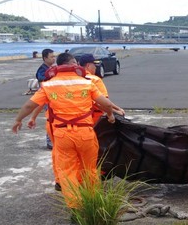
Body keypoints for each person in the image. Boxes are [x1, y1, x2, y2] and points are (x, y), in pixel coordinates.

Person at [12, 53, 123, 209]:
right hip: (85, 133)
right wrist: (110, 115)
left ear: (58, 67)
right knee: (90, 169)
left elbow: (30, 106)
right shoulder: (87, 83)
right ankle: (92, 204)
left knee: (67, 172)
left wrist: (18, 120)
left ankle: (75, 207)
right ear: (74, 64)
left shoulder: (49, 85)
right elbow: (105, 103)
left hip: (62, 135)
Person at [78, 53, 125, 124]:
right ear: (88, 65)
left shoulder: (75, 79)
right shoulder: (95, 80)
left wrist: (117, 108)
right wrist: (117, 112)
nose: (95, 67)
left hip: (76, 117)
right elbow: (102, 103)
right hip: (93, 118)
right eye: (94, 65)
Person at [30, 49, 56, 150]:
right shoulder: (42, 70)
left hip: (52, 96)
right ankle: (49, 141)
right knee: (50, 119)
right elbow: (42, 85)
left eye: (54, 57)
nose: (54, 59)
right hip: (47, 97)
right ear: (45, 58)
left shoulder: (51, 68)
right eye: (51, 57)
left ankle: (52, 140)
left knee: (54, 119)